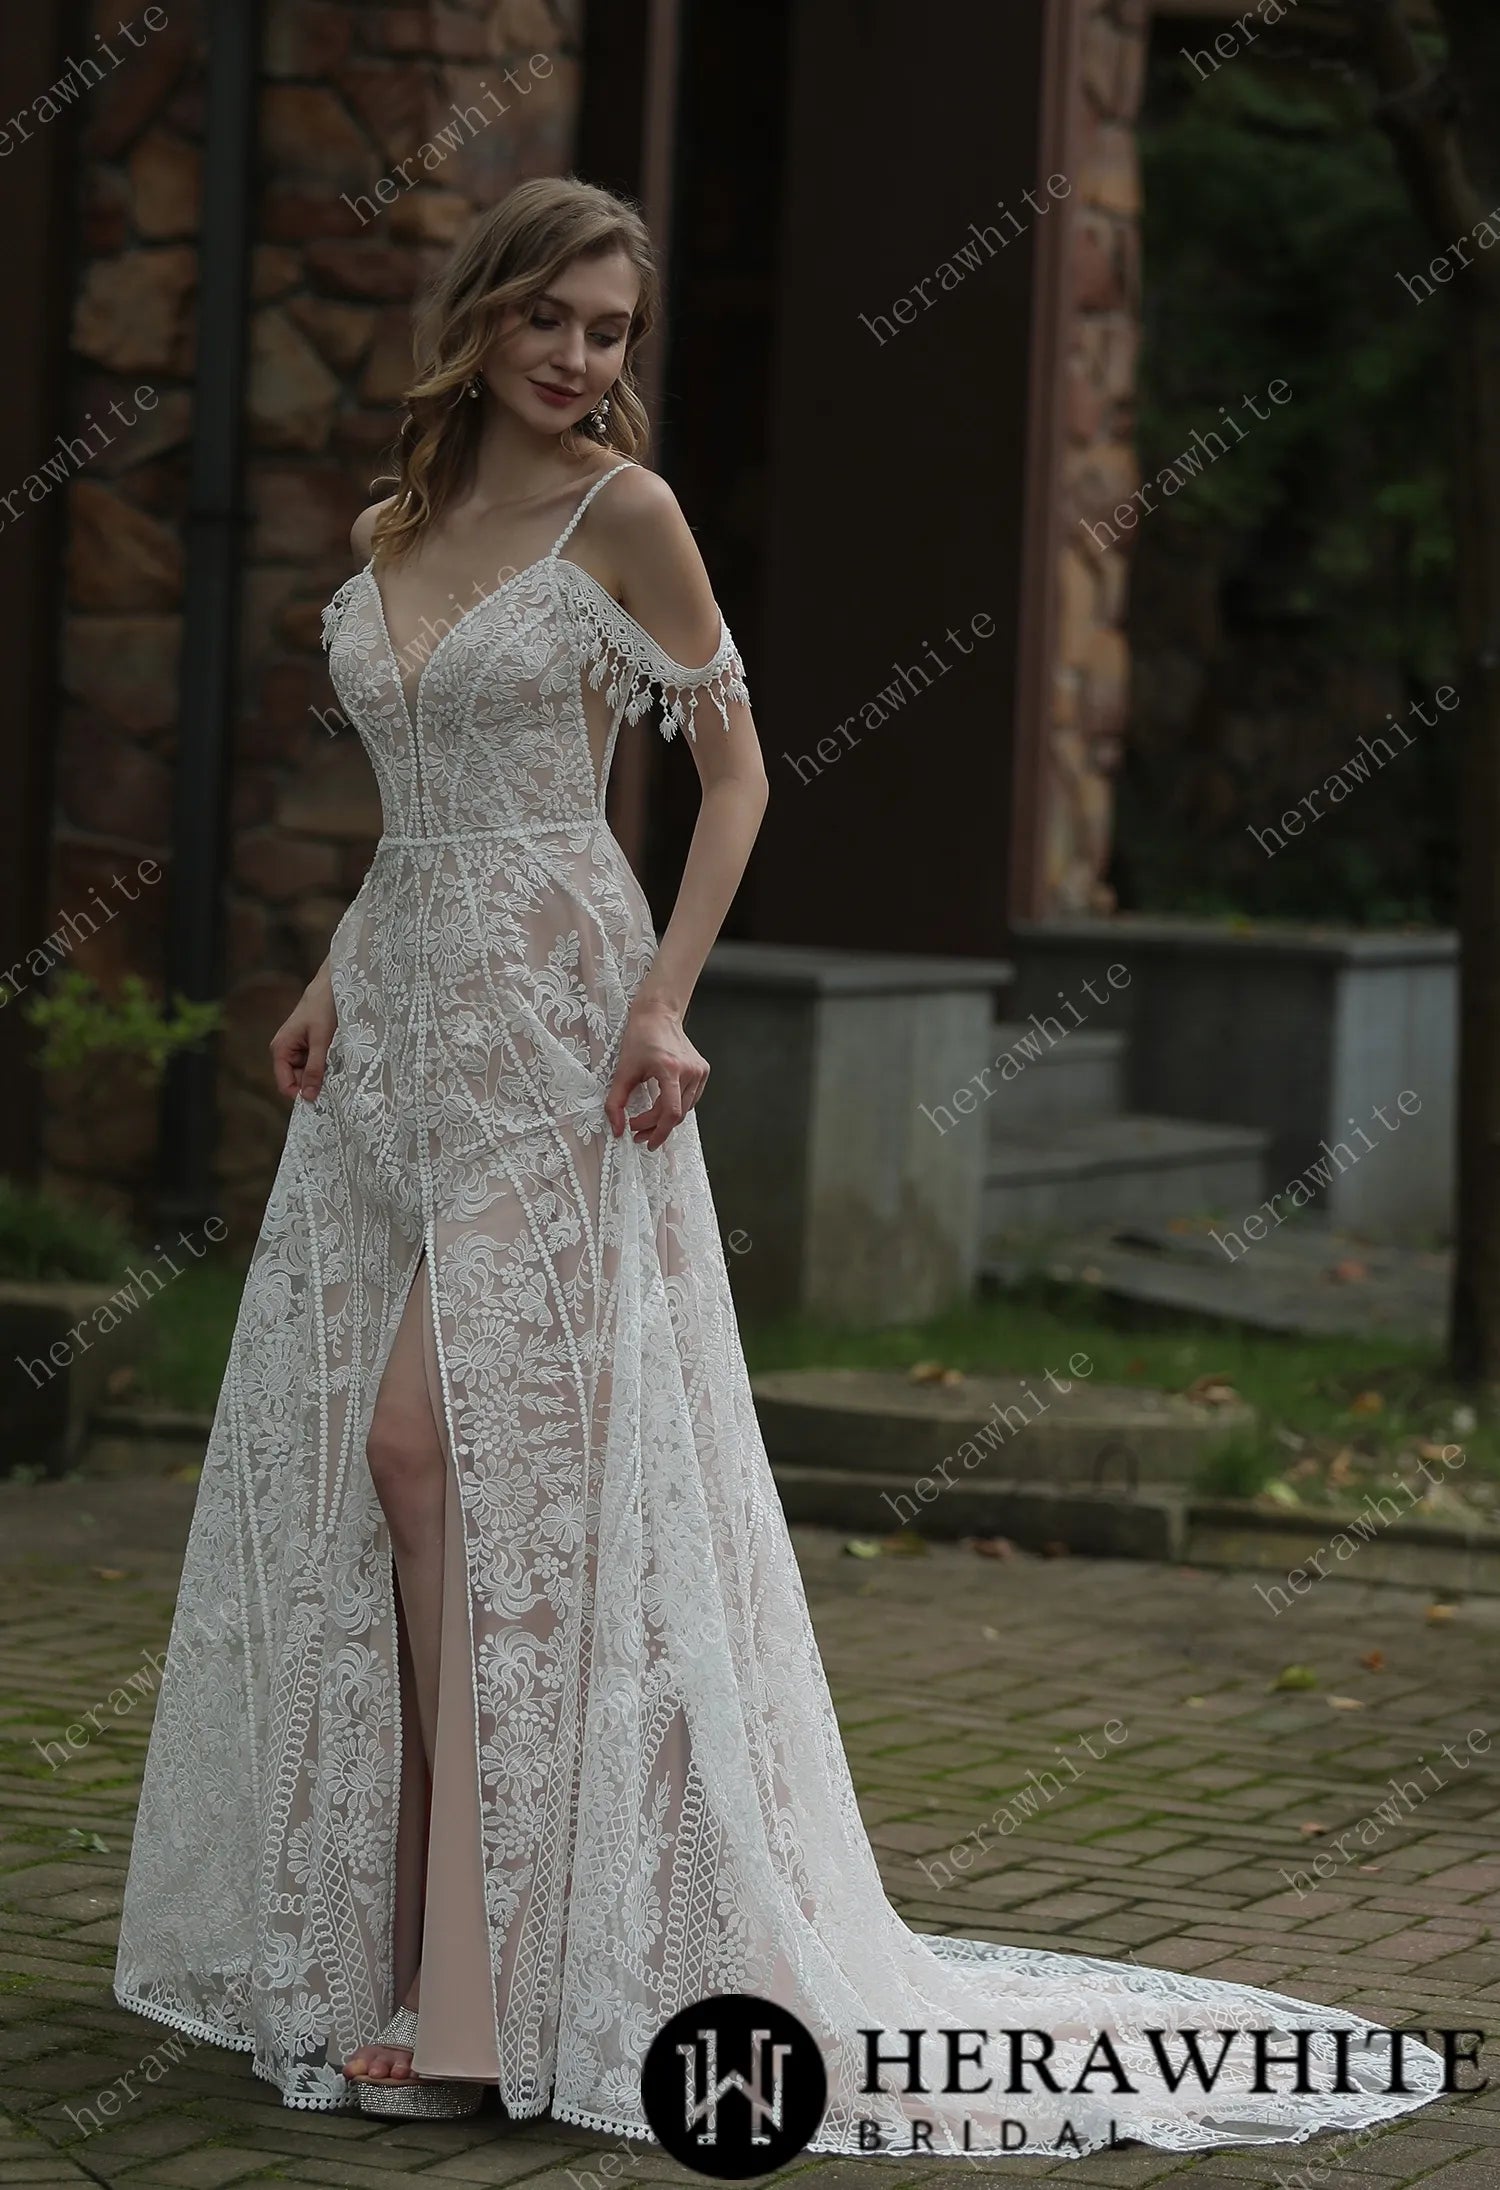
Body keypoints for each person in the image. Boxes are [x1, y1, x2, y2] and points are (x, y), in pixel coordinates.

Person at [114, 176, 1447, 2158]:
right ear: (483, 317)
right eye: (556, 320)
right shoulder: (402, 531)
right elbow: (431, 819)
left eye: (614, 331)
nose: (583, 361)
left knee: (436, 1453)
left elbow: (736, 773)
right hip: (399, 1044)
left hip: (563, 1040)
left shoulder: (620, 520)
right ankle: (407, 1962)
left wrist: (661, 1007)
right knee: (387, 1478)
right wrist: (328, 977)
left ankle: (486, 2005)